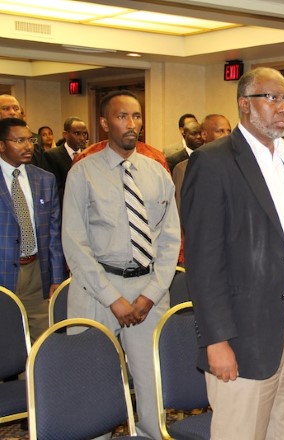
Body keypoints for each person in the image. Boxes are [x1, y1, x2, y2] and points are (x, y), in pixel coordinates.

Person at [180, 67, 284, 440]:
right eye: (272, 97)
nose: (283, 107)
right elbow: (204, 262)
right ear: (244, 104)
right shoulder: (213, 162)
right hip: (243, 331)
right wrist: (216, 339)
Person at [62, 90, 180, 439]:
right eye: (122, 116)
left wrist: (151, 294)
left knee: (152, 377)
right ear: (104, 123)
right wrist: (113, 298)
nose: (132, 124)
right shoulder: (83, 173)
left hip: (148, 291)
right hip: (97, 290)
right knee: (92, 379)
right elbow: (75, 243)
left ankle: (150, 434)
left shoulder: (157, 173)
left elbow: (170, 239)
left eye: (137, 116)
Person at [0, 117, 65, 341]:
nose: (28, 146)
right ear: (2, 145)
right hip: (4, 272)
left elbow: (54, 233)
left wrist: (56, 277)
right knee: (8, 342)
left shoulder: (44, 179)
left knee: (43, 339)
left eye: (30, 140)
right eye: (19, 141)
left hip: (37, 272)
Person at [44, 117, 88, 207]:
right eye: (77, 133)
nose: (82, 138)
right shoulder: (52, 155)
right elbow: (53, 189)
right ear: (65, 135)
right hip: (64, 206)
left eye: (84, 134)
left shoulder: (90, 155)